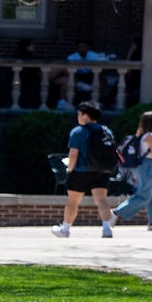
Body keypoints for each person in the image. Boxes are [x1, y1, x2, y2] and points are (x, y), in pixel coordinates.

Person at [50, 101, 117, 238]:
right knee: (101, 200)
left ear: (85, 116)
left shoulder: (78, 131)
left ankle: (65, 229)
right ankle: (106, 228)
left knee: (73, 201)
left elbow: (73, 154)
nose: (78, 117)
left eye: (79, 114)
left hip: (81, 171)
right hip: (102, 171)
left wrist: (70, 169)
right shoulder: (106, 131)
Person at [110, 111, 152, 232]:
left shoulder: (144, 135)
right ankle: (116, 212)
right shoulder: (151, 136)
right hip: (146, 166)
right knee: (144, 195)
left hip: (146, 166)